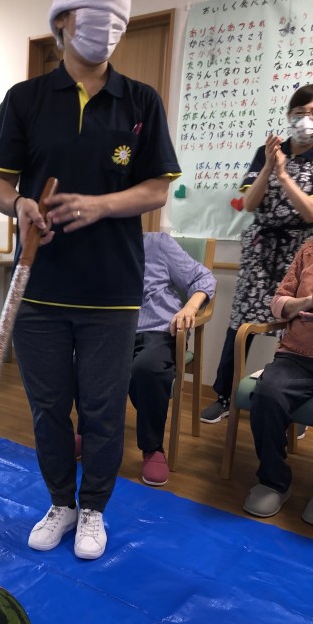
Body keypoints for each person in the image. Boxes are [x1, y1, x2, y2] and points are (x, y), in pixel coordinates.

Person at [0, 0, 181, 560]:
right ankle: (60, 503)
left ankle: (93, 507)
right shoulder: (26, 99)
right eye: (92, 1)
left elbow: (157, 188)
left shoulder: (139, 101)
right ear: (62, 16)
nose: (105, 19)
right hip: (37, 287)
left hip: (111, 291)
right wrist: (19, 205)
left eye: (116, 4)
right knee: (48, 410)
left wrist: (100, 206)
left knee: (101, 410)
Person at [201, 84, 313, 424]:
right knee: (241, 323)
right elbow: (250, 203)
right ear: (289, 116)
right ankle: (224, 395)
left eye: (312, 114)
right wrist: (268, 166)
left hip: (300, 250)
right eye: (300, 113)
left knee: (296, 323)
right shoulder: (268, 152)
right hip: (260, 250)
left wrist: (284, 175)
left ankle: (289, 403)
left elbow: (310, 213)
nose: (305, 120)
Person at [130, 232, 216, 487]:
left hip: (160, 328)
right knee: (83, 362)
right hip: (116, 330)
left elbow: (203, 278)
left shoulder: (156, 243)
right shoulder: (99, 249)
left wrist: (190, 307)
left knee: (147, 368)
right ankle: (88, 432)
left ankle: (153, 448)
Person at [243, 239, 313, 523]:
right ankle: (274, 481)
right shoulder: (308, 250)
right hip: (297, 356)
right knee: (267, 396)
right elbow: (278, 304)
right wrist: (306, 302)